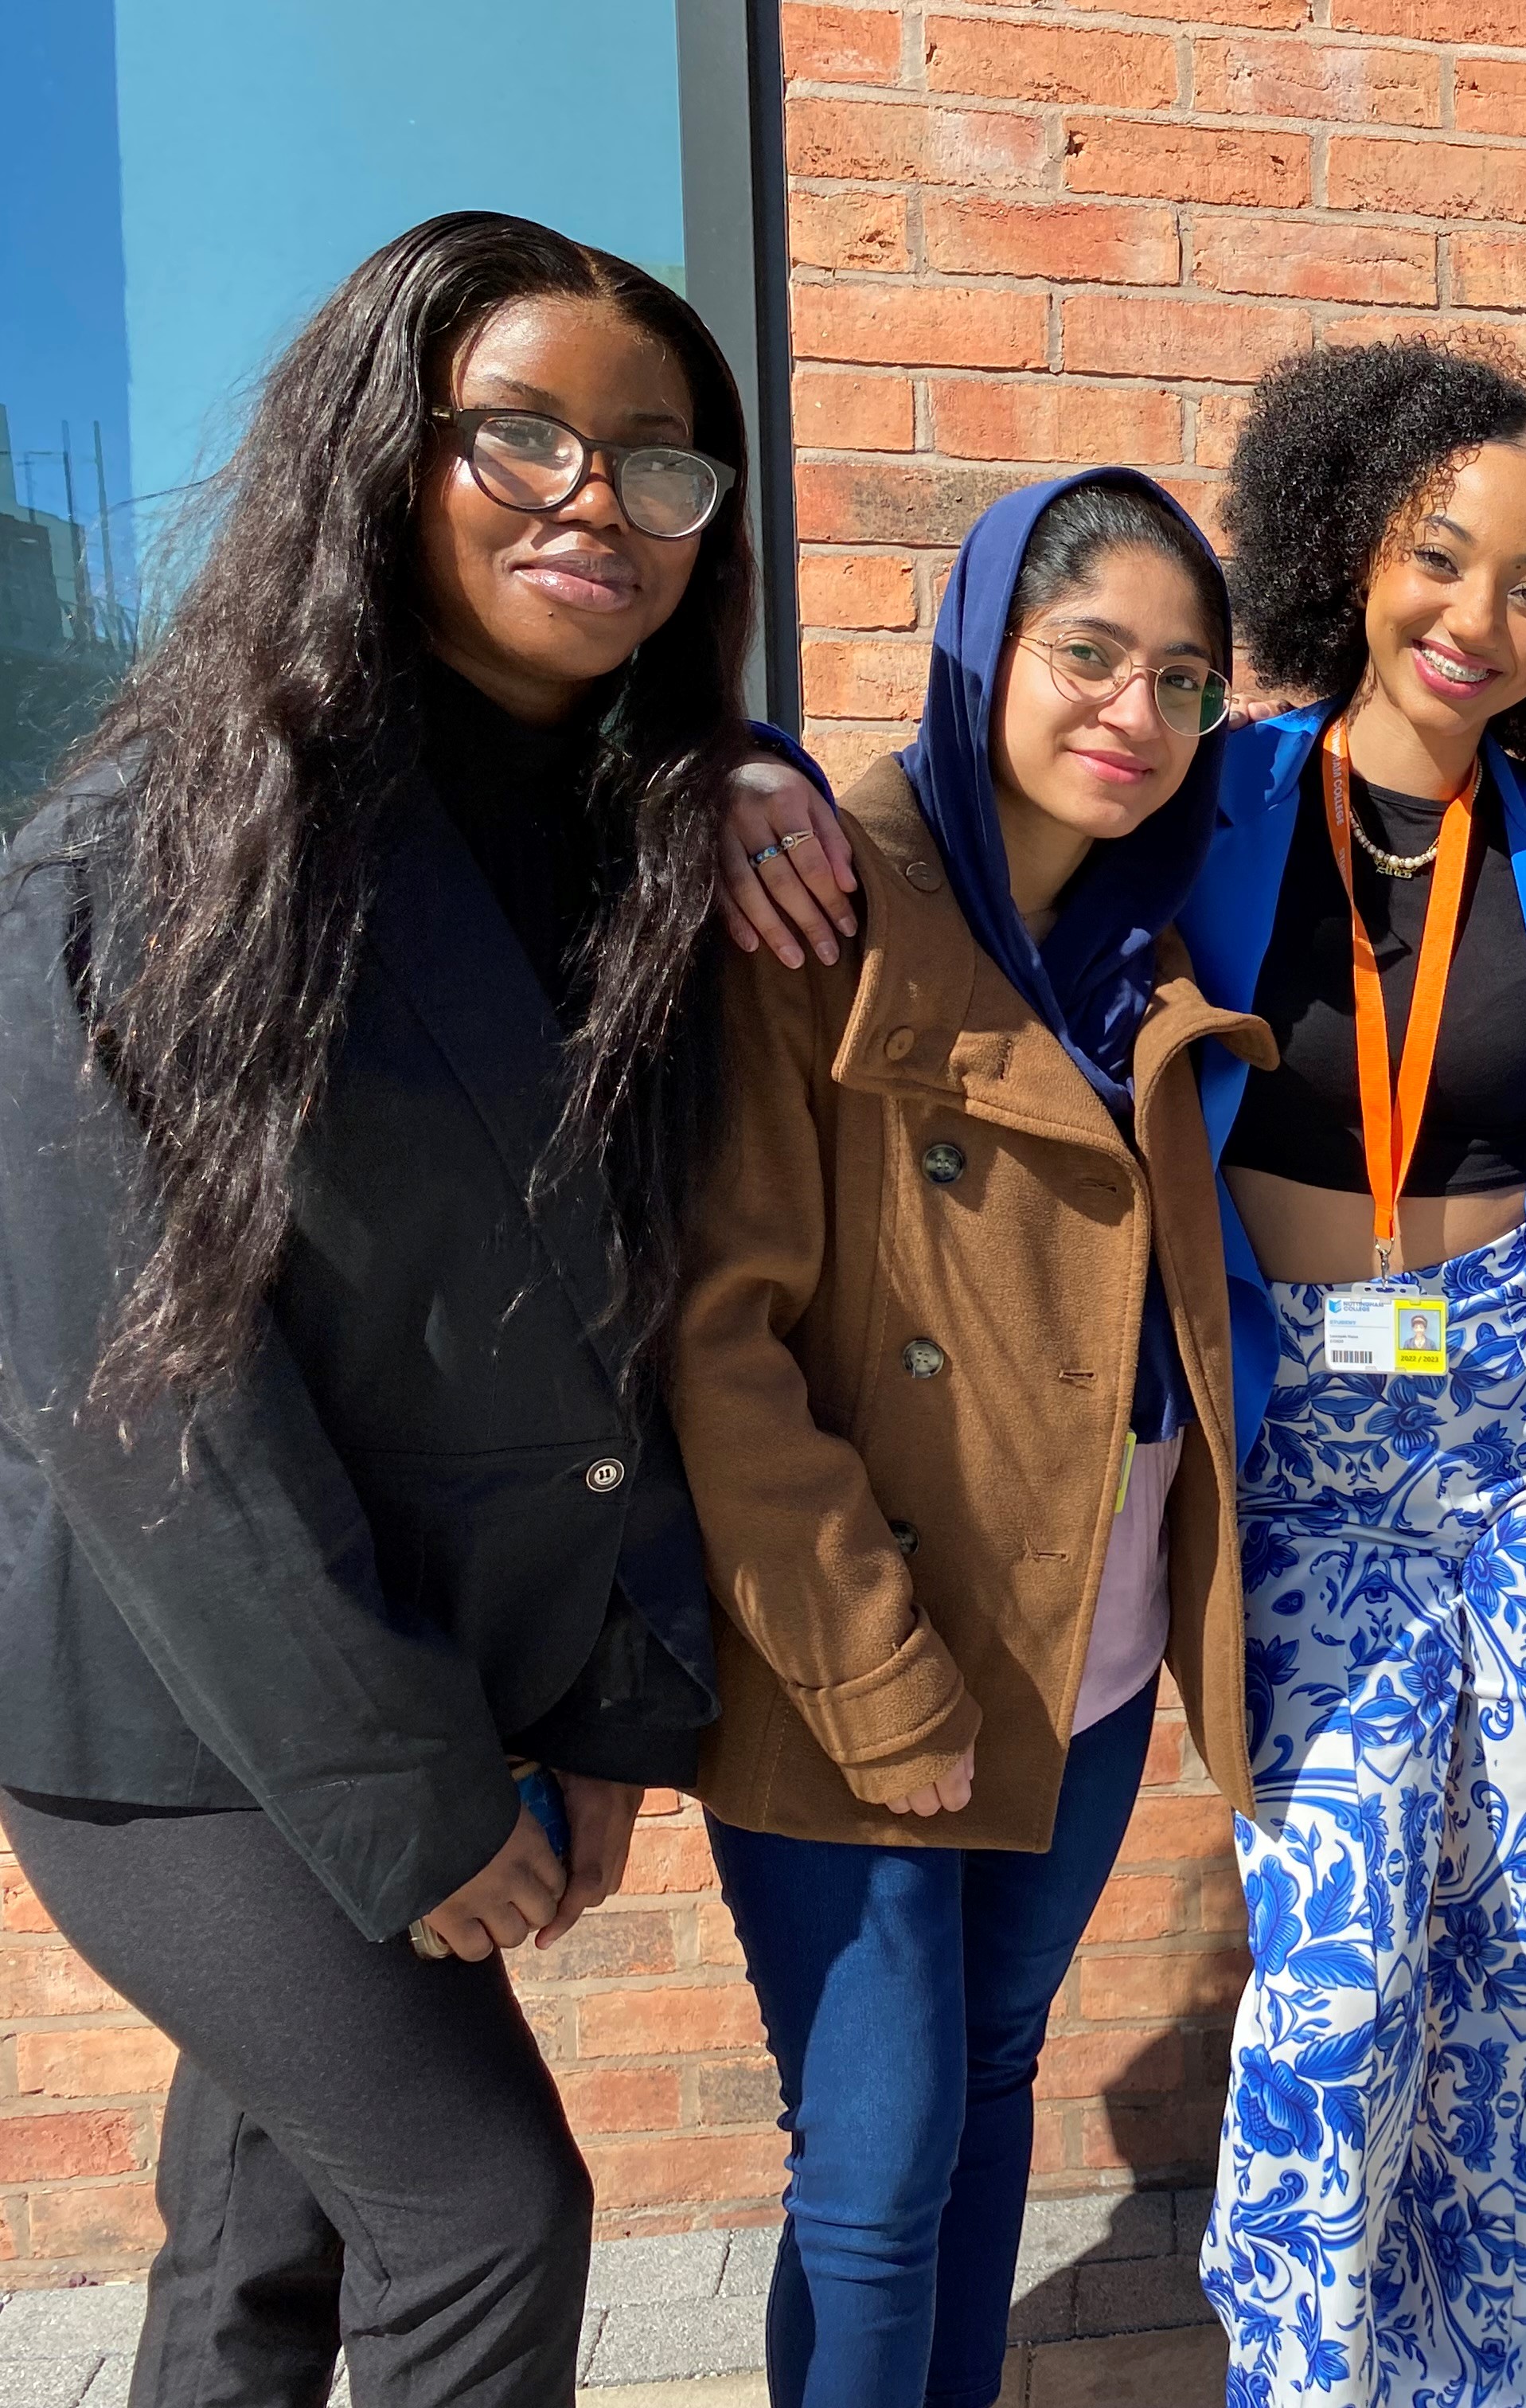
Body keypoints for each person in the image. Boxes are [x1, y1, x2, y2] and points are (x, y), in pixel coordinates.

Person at [0, 212, 755, 2404]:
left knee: (263, 2233)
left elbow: (610, 1309)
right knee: (479, 2212)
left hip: (433, 1677)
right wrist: (417, 1796)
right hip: (181, 1726)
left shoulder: (628, 846)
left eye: (662, 459)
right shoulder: (156, 860)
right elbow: (147, 1417)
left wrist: (615, 1703)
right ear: (379, 453)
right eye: (520, 435)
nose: (598, 496)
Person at [671, 470, 1266, 2408]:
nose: (1134, 713)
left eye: (1184, 680)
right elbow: (721, 1340)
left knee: (991, 2082)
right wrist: (869, 1671)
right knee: (871, 2167)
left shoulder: (1147, 936)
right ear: (981, 646)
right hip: (863, 1640)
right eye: (1085, 652)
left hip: (1077, 1643)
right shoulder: (816, 897)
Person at [1186, 339, 1526, 2408]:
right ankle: (1308, 2383)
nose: (1478, 622)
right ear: (1350, 543)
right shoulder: (1216, 795)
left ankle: (1509, 2381)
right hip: (1306, 1458)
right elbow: (977, 827)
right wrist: (778, 790)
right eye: (1442, 556)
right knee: (1333, 1986)